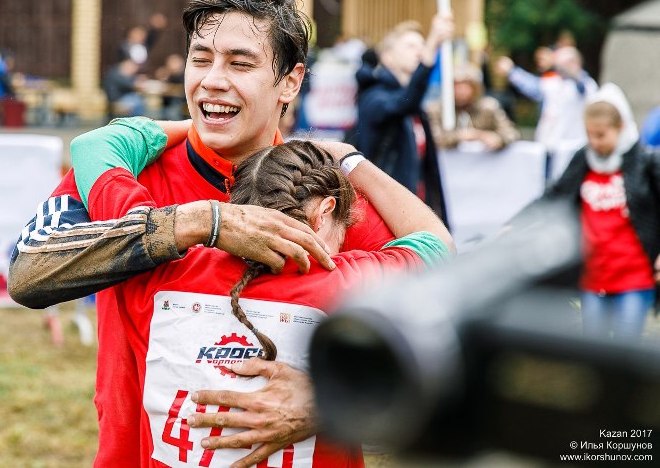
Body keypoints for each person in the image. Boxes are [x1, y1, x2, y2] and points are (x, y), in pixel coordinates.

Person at [8, 0, 453, 467]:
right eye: (200, 59)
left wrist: (329, 397)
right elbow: (29, 275)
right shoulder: (124, 173)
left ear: (291, 82)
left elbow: (438, 333)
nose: (213, 80)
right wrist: (201, 222)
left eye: (240, 63)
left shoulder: (329, 196)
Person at [66, 120, 450, 466]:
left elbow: (93, 147)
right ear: (324, 212)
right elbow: (437, 242)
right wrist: (350, 159)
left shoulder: (154, 269)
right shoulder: (348, 285)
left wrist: (194, 126)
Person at [512, 83, 660, 339]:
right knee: (593, 342)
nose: (595, 142)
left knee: (625, 345)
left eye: (601, 135)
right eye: (590, 134)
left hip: (634, 276)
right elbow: (555, 195)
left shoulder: (644, 161)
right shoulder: (584, 159)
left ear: (620, 127)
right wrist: (517, 223)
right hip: (594, 277)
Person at [350, 16, 454, 223]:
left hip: (416, 207)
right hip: (386, 213)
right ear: (387, 57)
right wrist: (432, 47)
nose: (419, 51)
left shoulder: (415, 107)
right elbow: (403, 103)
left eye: (422, 45)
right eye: (410, 46)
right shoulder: (373, 97)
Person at [496, 46, 598, 155]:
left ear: (575, 63)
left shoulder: (586, 85)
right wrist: (511, 71)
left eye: (561, 64)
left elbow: (581, 85)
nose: (558, 68)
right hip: (550, 145)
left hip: (575, 146)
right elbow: (532, 86)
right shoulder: (555, 82)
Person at [425, 64, 520, 151]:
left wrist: (498, 139)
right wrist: (461, 136)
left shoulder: (488, 108)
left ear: (475, 89)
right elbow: (433, 138)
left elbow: (511, 133)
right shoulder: (436, 109)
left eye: (465, 87)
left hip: (483, 162)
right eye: (456, 87)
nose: (460, 91)